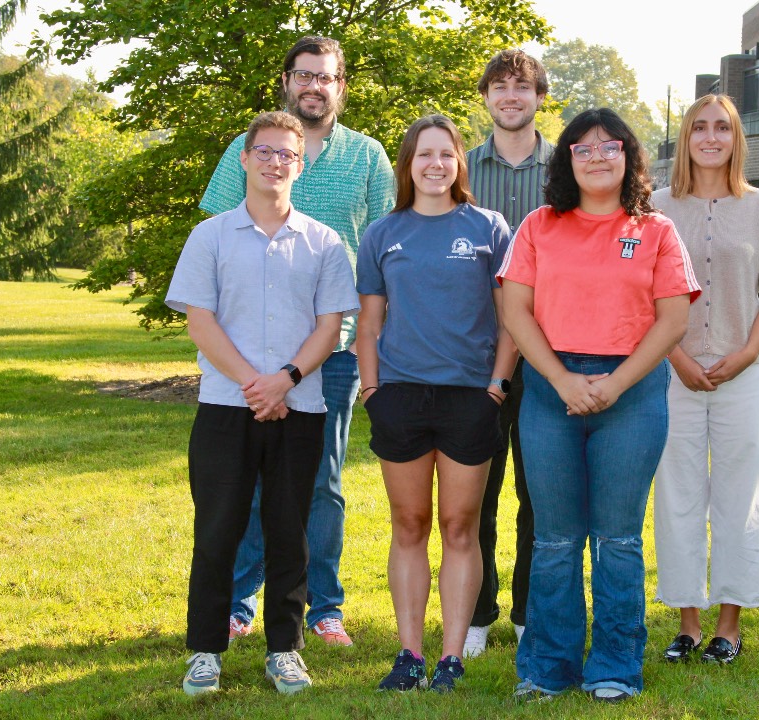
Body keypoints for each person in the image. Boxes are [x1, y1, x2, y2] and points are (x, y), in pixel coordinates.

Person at [199, 36, 395, 648]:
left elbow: (385, 252)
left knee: (321, 482)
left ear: (341, 86)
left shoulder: (368, 157)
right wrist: (256, 372)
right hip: (247, 355)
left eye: (326, 77)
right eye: (304, 75)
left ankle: (324, 607)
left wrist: (372, 350)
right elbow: (215, 237)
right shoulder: (249, 147)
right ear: (287, 81)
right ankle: (239, 603)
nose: (315, 86)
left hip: (330, 352)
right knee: (250, 481)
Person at [498, 107, 700, 703]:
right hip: (548, 390)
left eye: (608, 147)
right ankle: (547, 668)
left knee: (617, 538)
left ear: (628, 156)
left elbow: (673, 319)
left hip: (632, 393)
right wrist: (562, 379)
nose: (595, 157)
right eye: (581, 149)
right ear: (566, 160)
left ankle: (615, 666)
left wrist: (615, 382)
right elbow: (515, 312)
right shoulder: (538, 226)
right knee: (555, 539)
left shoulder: (656, 230)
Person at [168, 111, 360, 695]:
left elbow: (333, 326)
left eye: (287, 154)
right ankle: (205, 651)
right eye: (265, 152)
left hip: (299, 407)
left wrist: (286, 379)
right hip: (227, 407)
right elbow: (199, 320)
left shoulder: (324, 242)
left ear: (300, 166)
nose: (276, 162)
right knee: (218, 529)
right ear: (246, 160)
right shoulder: (211, 236)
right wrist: (256, 383)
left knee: (288, 531)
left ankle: (285, 649)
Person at [356, 115, 517, 693]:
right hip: (400, 396)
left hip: (470, 399)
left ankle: (451, 658)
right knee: (409, 524)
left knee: (459, 526)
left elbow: (511, 321)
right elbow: (368, 327)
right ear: (408, 165)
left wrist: (496, 388)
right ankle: (409, 655)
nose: (435, 164)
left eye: (445, 154)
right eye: (424, 155)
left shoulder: (489, 228)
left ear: (459, 163)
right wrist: (373, 392)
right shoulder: (382, 234)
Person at [652, 94, 759, 664]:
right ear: (686, 137)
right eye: (700, 128)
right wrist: (678, 358)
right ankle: (688, 622)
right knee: (677, 494)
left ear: (737, 139)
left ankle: (729, 624)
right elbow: (643, 297)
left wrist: (746, 352)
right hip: (670, 372)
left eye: (723, 129)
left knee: (739, 497)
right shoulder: (657, 208)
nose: (711, 137)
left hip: (744, 374)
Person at [463, 48, 553, 658]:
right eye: (499, 87)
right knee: (476, 492)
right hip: (477, 356)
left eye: (522, 86)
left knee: (539, 494)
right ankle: (475, 612)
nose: (511, 96)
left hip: (553, 355)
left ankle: (526, 610)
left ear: (540, 97)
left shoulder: (568, 167)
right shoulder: (459, 168)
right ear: (487, 98)